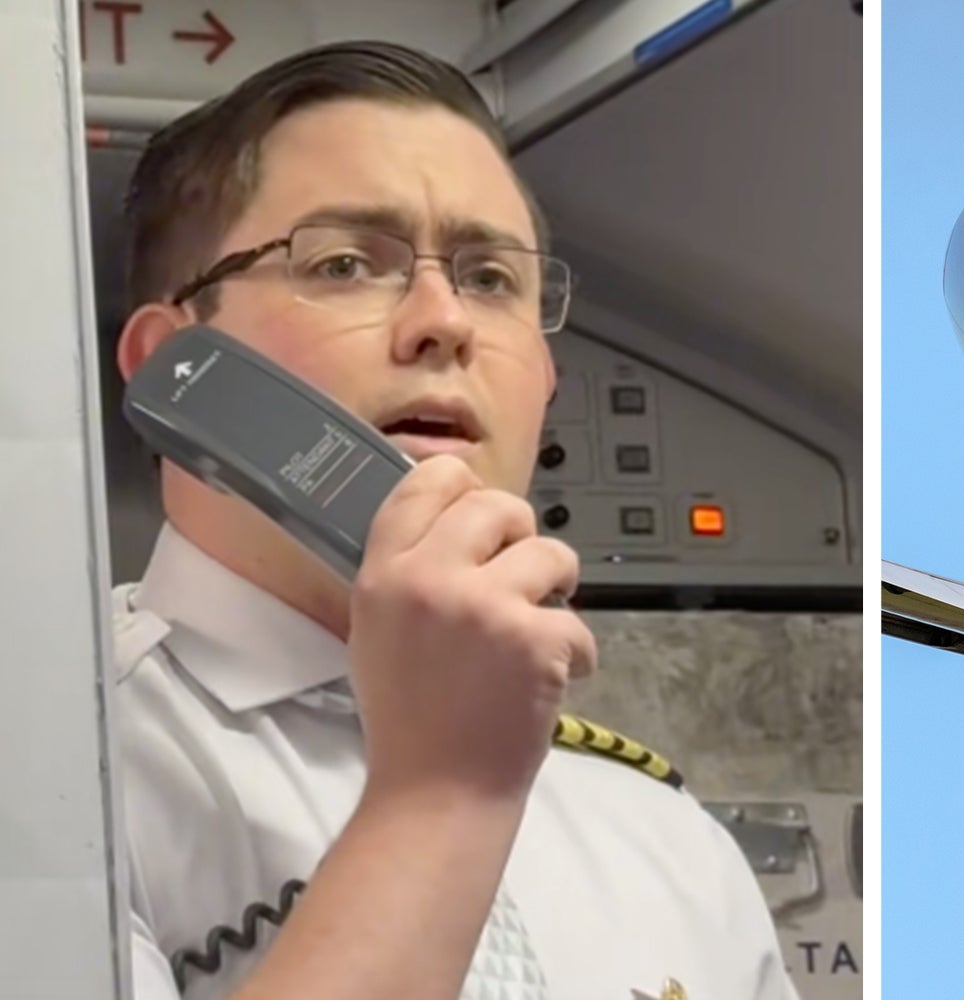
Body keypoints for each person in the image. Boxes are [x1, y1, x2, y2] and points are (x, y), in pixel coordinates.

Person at [109, 40, 798, 1000]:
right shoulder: (43, 769)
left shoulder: (670, 842)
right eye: (346, 263)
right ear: (175, 369)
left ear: (547, 381)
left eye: (489, 279)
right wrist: (438, 798)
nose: (444, 320)